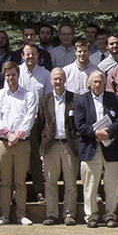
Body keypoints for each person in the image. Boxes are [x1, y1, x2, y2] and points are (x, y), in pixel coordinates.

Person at [74, 70, 118, 228]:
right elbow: (79, 124)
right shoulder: (81, 101)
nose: (97, 85)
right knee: (90, 185)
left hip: (111, 147)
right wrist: (95, 133)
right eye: (94, 82)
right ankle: (91, 216)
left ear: (105, 83)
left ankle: (110, 215)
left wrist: (108, 133)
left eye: (100, 81)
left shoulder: (114, 99)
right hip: (90, 147)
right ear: (89, 83)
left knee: (112, 184)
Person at [0, 61, 37, 225]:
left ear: (18, 75)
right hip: (3, 144)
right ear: (5, 76)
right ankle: (4, 215)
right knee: (4, 181)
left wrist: (17, 135)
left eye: (13, 74)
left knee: (20, 182)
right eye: (8, 75)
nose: (11, 78)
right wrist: (8, 135)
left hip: (22, 143)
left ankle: (21, 215)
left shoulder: (28, 95)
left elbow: (29, 118)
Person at [35, 68, 78, 225]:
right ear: (51, 81)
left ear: (65, 80)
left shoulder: (75, 99)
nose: (58, 82)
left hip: (69, 145)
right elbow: (39, 125)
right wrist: (41, 146)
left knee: (71, 183)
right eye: (55, 79)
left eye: (60, 78)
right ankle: (51, 214)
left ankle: (68, 214)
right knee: (51, 183)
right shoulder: (44, 100)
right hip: (50, 146)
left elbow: (78, 124)